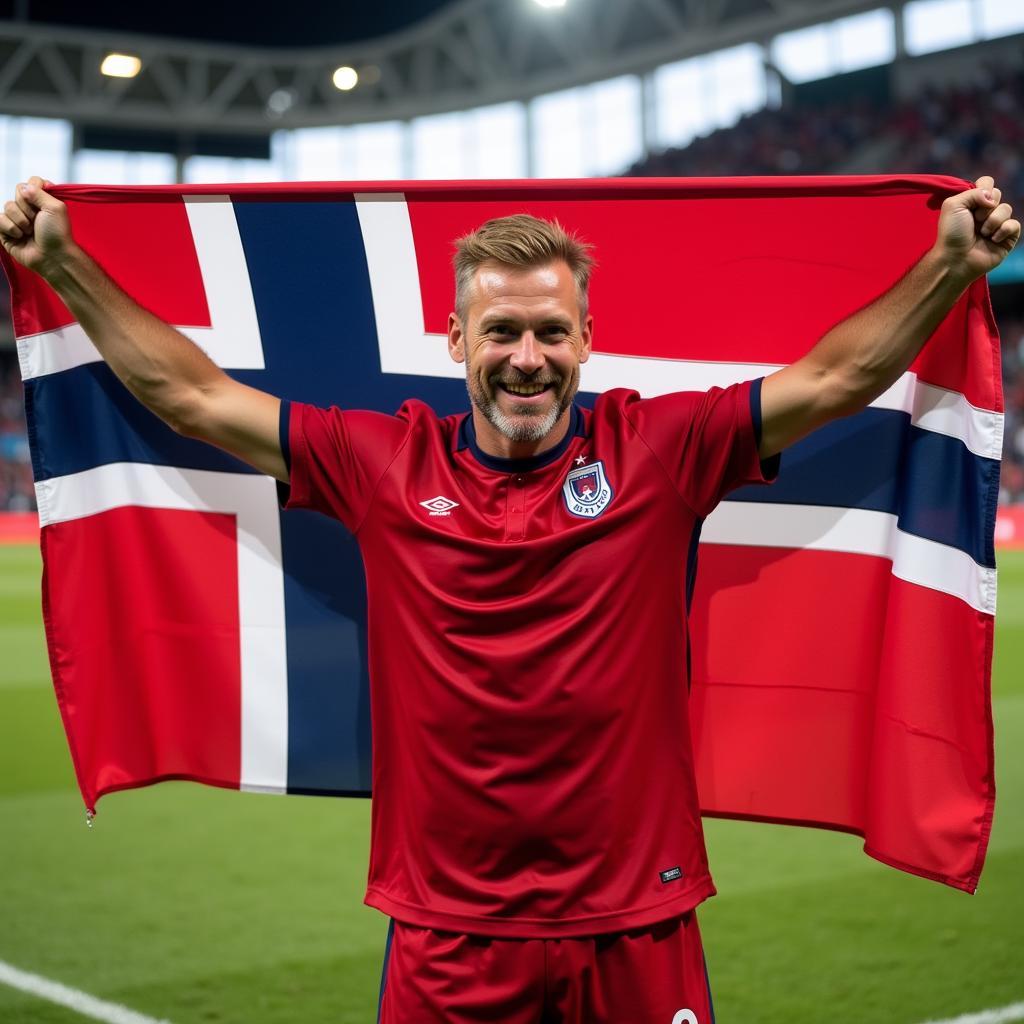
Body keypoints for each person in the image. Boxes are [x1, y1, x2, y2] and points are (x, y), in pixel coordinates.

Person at [1, 175, 1018, 1023]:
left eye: (548, 331)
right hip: (449, 931)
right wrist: (62, 264)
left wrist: (947, 265)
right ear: (454, 339)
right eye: (500, 331)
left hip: (637, 918)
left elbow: (837, 375)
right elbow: (195, 398)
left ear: (585, 338)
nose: (524, 356)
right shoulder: (380, 461)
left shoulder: (660, 448)